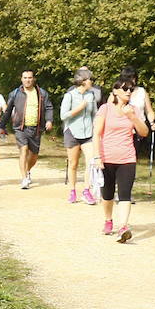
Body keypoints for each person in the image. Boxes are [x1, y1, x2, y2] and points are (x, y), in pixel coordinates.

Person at [92, 80, 150, 243]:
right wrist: (97, 157)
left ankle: (123, 227)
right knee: (107, 194)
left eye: (130, 89)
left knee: (125, 194)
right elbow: (96, 133)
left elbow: (144, 132)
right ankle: (108, 220)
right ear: (115, 91)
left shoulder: (134, 110)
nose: (128, 92)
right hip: (106, 157)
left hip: (127, 158)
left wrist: (132, 117)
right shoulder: (105, 109)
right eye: (125, 89)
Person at [3, 69, 53, 189]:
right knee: (24, 150)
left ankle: (28, 170)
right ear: (21, 79)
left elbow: (49, 107)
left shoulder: (42, 93)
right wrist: (1, 126)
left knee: (34, 155)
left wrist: (49, 120)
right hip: (20, 127)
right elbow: (8, 110)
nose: (27, 80)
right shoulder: (15, 93)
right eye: (25, 78)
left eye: (29, 78)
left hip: (36, 128)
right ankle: (24, 178)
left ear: (33, 79)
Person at [60, 67, 99, 205]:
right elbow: (63, 115)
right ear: (82, 81)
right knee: (73, 163)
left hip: (88, 133)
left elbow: (95, 114)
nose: (92, 82)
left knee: (91, 161)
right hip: (72, 131)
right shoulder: (69, 95)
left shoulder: (91, 95)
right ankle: (72, 190)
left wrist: (98, 128)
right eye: (90, 79)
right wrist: (79, 108)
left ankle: (86, 190)